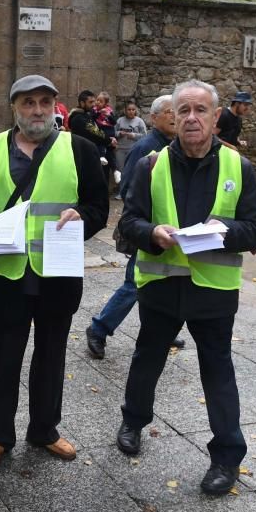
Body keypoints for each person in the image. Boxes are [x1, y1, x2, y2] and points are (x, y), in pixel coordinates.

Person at [115, 79, 256, 495]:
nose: (191, 118)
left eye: (200, 110)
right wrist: (153, 232)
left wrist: (228, 231)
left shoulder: (241, 168)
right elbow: (128, 223)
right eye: (183, 110)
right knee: (148, 357)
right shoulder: (151, 164)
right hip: (162, 285)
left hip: (214, 291)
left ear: (216, 117)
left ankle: (226, 458)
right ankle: (132, 422)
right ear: (172, 116)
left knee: (218, 371)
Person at [0, 75, 109, 470]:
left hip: (58, 275)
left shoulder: (80, 149)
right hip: (8, 276)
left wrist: (84, 217)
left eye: (44, 102)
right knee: (6, 355)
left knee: (52, 355)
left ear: (54, 106)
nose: (37, 110)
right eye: (28, 103)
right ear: (14, 108)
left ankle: (45, 429)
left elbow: (98, 206)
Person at [85, 96, 180, 359]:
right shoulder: (147, 147)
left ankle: (165, 329)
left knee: (165, 279)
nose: (175, 116)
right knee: (135, 283)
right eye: (168, 112)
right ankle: (98, 328)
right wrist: (145, 224)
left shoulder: (173, 145)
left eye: (177, 111)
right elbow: (128, 188)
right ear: (154, 118)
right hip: (147, 230)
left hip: (165, 230)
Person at [114, 100, 147, 171]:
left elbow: (144, 135)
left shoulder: (139, 121)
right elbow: (113, 132)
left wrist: (134, 135)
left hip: (133, 149)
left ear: (135, 110)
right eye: (129, 109)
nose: (131, 111)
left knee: (132, 170)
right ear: (125, 110)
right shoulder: (120, 120)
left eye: (133, 109)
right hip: (120, 150)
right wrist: (119, 133)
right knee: (121, 170)